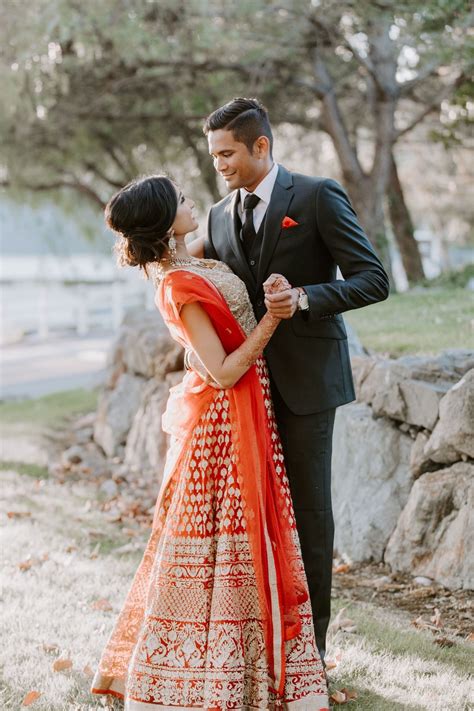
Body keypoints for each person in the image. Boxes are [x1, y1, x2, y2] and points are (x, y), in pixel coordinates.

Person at [91, 174, 330, 709]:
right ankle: (201, 671)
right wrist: (272, 318)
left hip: (248, 405)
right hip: (222, 419)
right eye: (179, 200)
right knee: (219, 543)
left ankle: (249, 659)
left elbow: (231, 245)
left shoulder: (190, 258)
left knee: (246, 539)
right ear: (162, 221)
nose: (191, 200)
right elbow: (222, 371)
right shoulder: (176, 283)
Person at [191, 97, 390, 666]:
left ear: (261, 146)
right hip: (241, 387)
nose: (220, 165)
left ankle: (312, 649)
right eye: (213, 156)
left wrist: (303, 297)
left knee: (308, 512)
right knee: (251, 513)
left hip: (306, 384)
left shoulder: (317, 195)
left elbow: (372, 279)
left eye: (227, 153)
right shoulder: (215, 216)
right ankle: (260, 638)